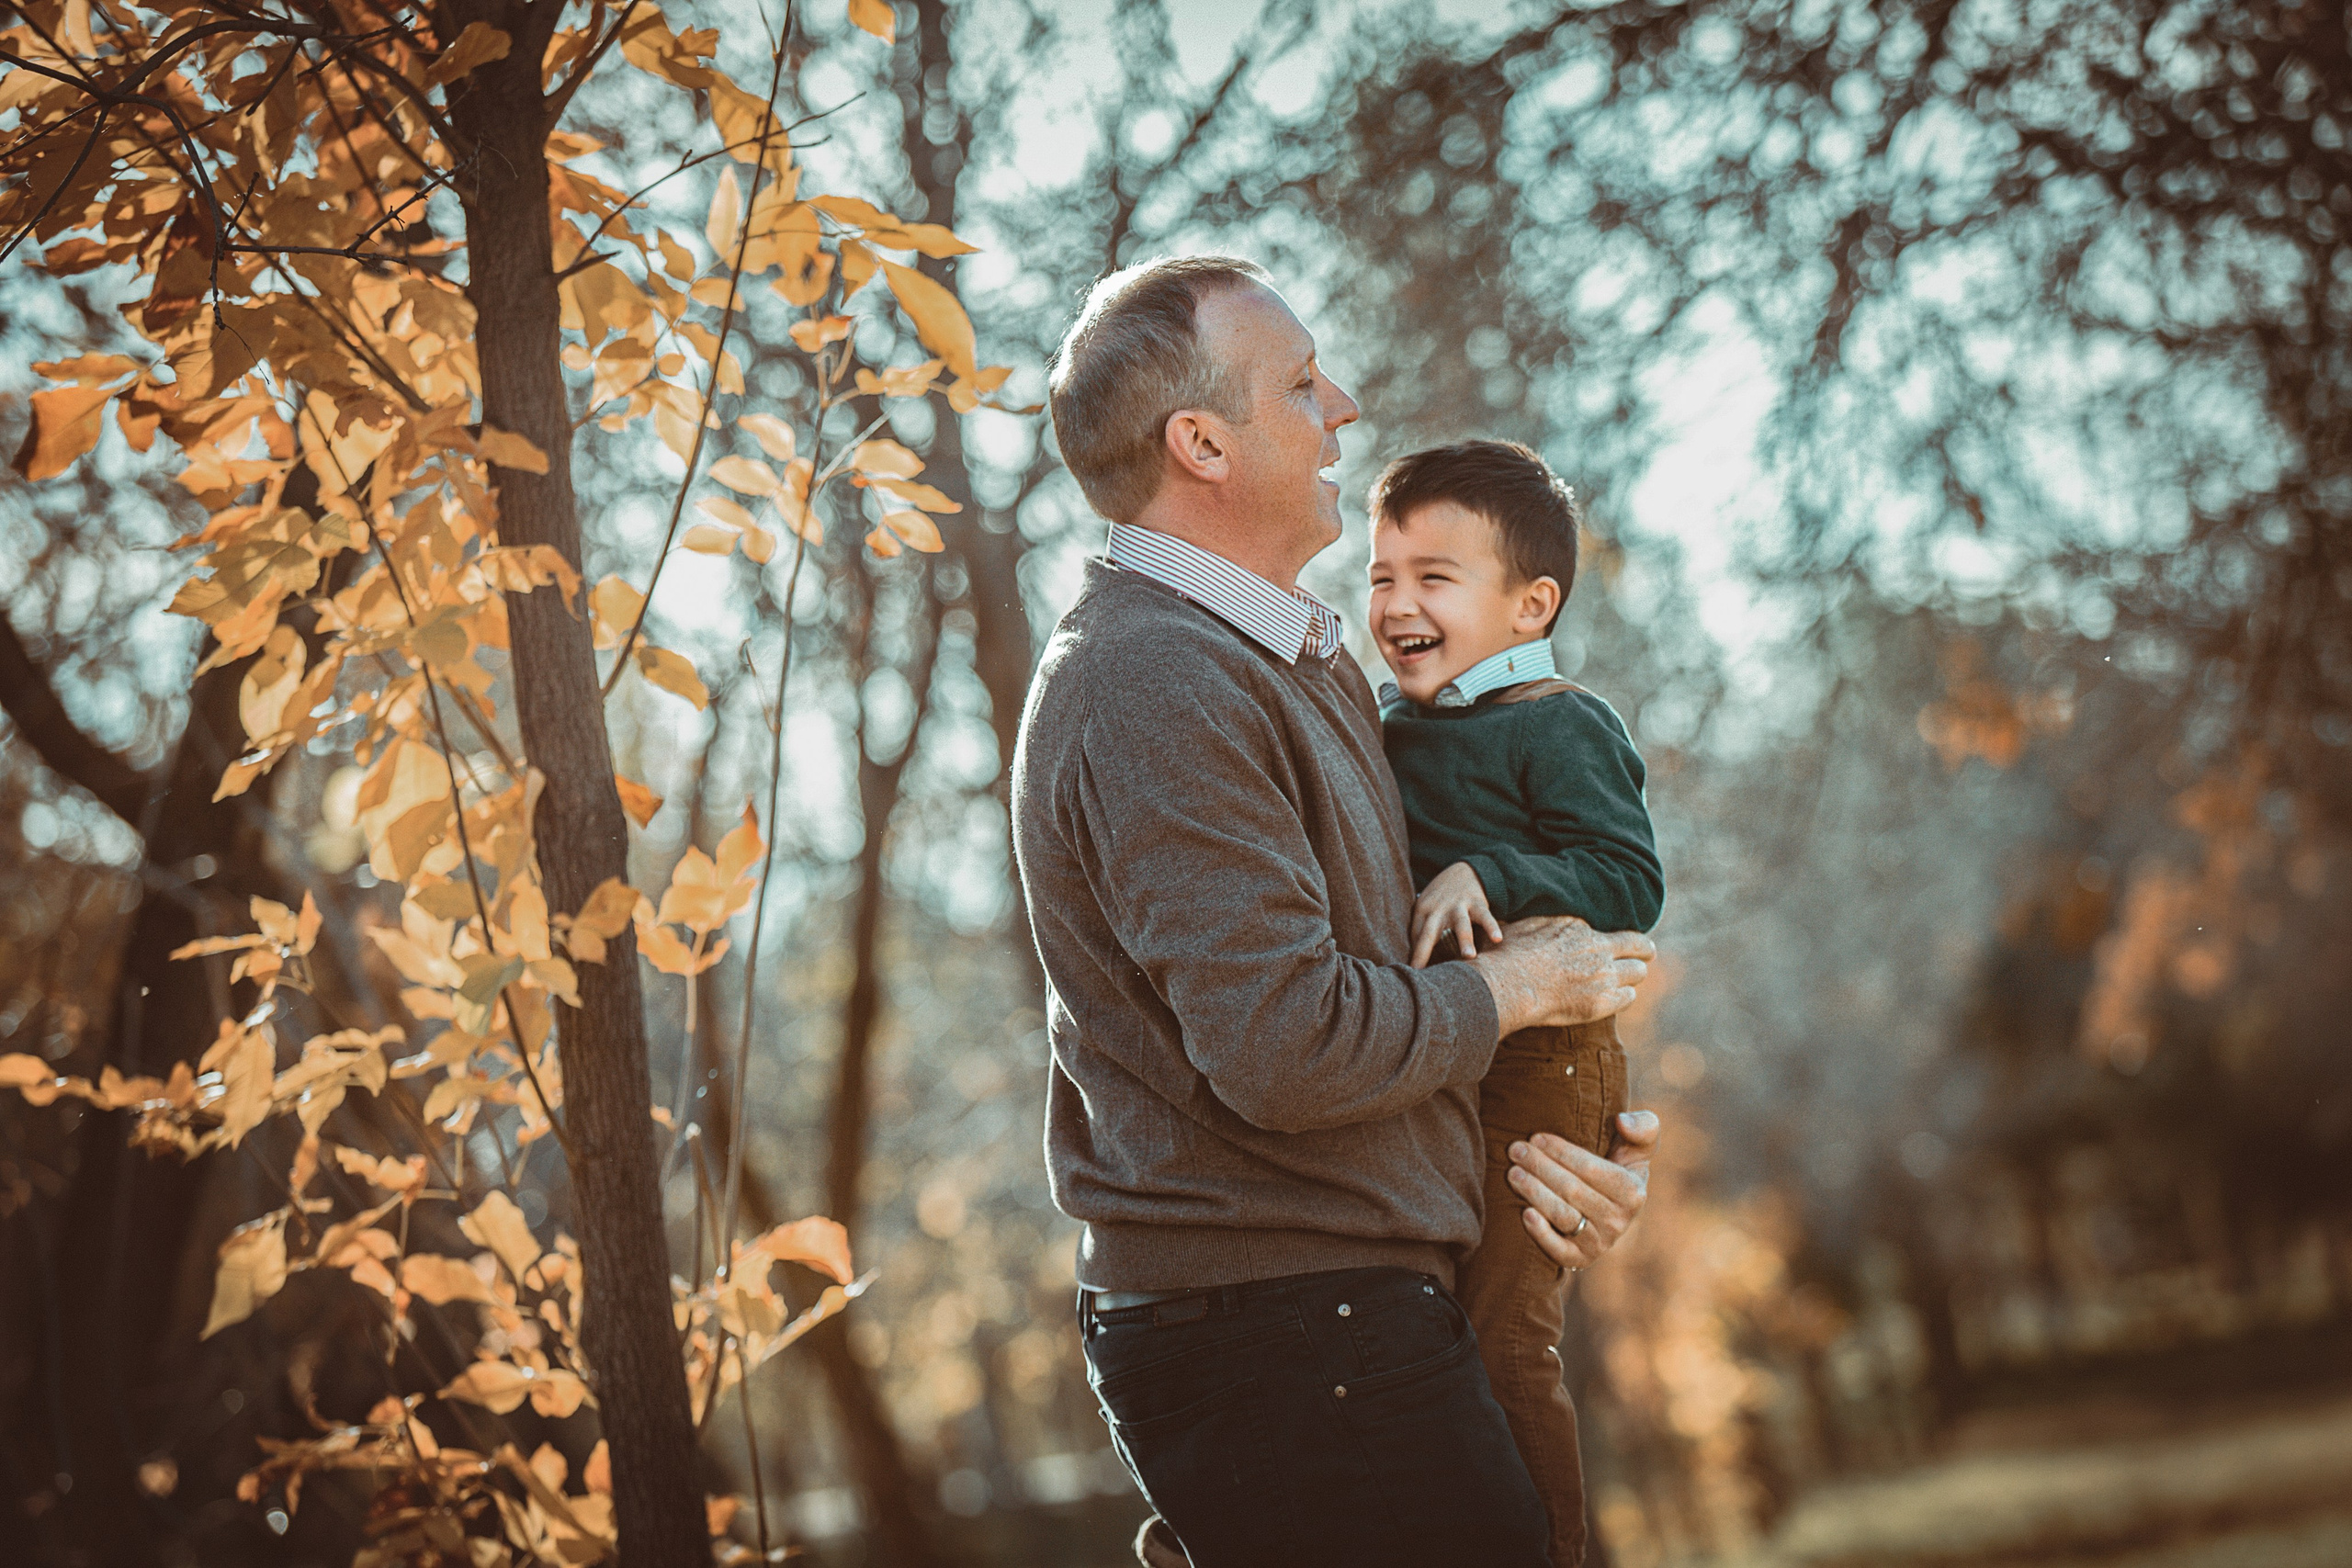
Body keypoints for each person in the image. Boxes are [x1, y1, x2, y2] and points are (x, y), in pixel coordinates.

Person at [1011, 254, 1659, 1568]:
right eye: (1301, 384)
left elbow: (1393, 973)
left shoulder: (1279, 657)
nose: (1346, 406)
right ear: (1201, 442)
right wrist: (1528, 989)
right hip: (1289, 1325)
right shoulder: (1156, 682)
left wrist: (1548, 1148)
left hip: (1342, 1314)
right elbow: (1290, 1043)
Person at [1369, 439, 1665, 1568]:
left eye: (1433, 578)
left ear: (1530, 604)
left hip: (1544, 1064)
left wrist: (1497, 871)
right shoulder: (1387, 730)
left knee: (1505, 1342)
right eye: (1382, 576)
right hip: (1447, 1052)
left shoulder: (1559, 721)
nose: (1397, 604)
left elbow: (1629, 881)